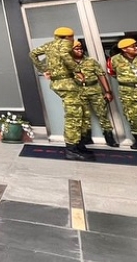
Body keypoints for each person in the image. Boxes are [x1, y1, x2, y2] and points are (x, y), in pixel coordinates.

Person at [29, 27, 92, 161]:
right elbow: (64, 54)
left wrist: (43, 69)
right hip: (66, 83)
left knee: (79, 111)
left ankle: (79, 144)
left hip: (59, 83)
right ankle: (71, 149)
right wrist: (76, 70)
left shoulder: (49, 45)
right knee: (74, 115)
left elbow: (33, 53)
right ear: (69, 36)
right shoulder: (65, 43)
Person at [70, 41, 119, 148]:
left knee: (102, 115)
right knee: (84, 116)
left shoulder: (91, 61)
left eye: (81, 49)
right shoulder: (69, 63)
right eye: (76, 49)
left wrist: (108, 91)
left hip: (95, 91)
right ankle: (86, 138)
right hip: (79, 92)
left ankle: (109, 138)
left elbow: (101, 75)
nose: (80, 51)